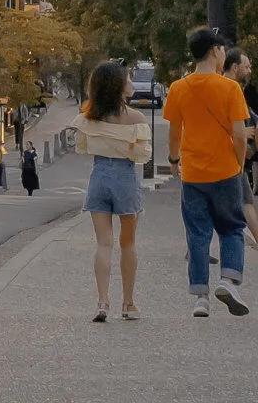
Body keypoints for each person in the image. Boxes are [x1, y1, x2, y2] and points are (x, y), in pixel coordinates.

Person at [165, 26, 250, 318]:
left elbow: (175, 131)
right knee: (232, 228)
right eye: (223, 49)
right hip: (226, 170)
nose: (224, 53)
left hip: (193, 174)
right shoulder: (230, 88)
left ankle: (200, 297)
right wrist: (239, 163)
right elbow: (239, 134)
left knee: (198, 234)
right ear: (214, 51)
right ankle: (229, 281)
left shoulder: (178, 88)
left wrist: (174, 160)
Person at [74, 60, 151, 321]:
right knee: (127, 242)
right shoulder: (136, 119)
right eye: (128, 79)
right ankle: (128, 303)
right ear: (119, 86)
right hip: (125, 178)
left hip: (99, 176)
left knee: (103, 243)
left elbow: (82, 147)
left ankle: (102, 302)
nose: (131, 84)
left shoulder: (89, 117)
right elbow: (142, 155)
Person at [219, 49, 258, 252]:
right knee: (246, 201)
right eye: (246, 66)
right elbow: (231, 124)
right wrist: (244, 133)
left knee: (206, 204)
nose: (249, 70)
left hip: (223, 155)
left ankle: (196, 249)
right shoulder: (230, 88)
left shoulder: (229, 87)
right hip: (232, 156)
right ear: (235, 67)